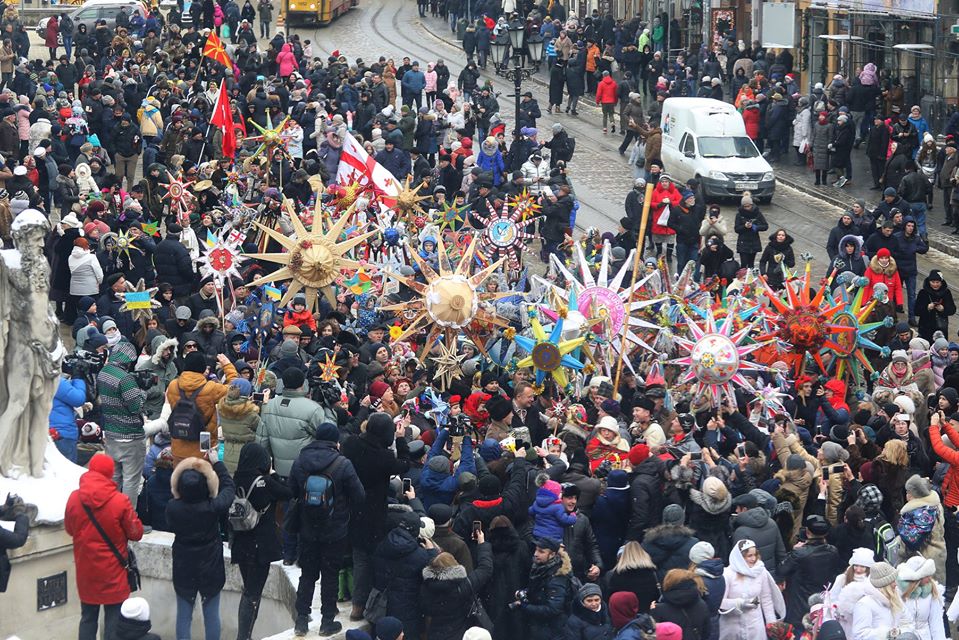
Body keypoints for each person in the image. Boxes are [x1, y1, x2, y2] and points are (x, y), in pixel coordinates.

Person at [288, 422, 366, 636]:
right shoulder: (343, 463)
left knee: (308, 574)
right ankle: (327, 621)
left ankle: (301, 621)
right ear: (335, 442)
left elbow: (292, 490)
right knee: (330, 575)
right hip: (335, 529)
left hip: (307, 527)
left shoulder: (301, 459)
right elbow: (359, 495)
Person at [64, 454, 145, 640]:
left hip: (86, 570)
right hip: (113, 572)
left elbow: (70, 529)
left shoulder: (74, 498)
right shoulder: (120, 501)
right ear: (110, 473)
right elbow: (136, 533)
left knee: (88, 618)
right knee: (114, 621)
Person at [166, 453, 236, 640]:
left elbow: (170, 524)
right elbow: (229, 487)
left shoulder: (173, 508)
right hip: (210, 565)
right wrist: (217, 464)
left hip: (183, 565)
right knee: (211, 615)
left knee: (184, 615)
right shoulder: (213, 507)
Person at [230, 442, 293, 640]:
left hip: (241, 545)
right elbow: (288, 492)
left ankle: (245, 634)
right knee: (252, 593)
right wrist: (273, 474)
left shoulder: (234, 479)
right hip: (260, 547)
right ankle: (243, 636)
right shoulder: (265, 481)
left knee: (249, 589)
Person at [419, 533, 494, 640]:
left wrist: (431, 553)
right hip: (459, 634)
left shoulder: (427, 588)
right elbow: (485, 569)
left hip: (436, 634)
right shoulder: (464, 586)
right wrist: (482, 543)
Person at [777, 514, 840, 628]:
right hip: (822, 602)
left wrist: (793, 551)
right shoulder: (833, 551)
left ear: (807, 532)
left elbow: (782, 569)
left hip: (800, 605)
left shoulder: (800, 554)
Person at [718, 539, 785, 639]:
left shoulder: (760, 571)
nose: (753, 559)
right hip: (732, 628)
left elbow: (766, 598)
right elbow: (719, 603)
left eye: (755, 555)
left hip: (755, 626)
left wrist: (771, 622)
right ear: (740, 557)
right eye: (749, 556)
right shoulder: (728, 574)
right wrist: (739, 603)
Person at [516, 537, 573, 640]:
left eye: (541, 551)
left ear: (552, 554)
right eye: (536, 550)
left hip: (552, 631)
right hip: (540, 627)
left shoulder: (557, 578)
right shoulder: (540, 569)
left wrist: (524, 606)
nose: (535, 554)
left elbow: (553, 609)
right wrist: (526, 592)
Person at [852, 561, 903, 640]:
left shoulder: (895, 599)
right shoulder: (864, 604)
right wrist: (887, 634)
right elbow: (859, 634)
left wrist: (905, 633)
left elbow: (907, 621)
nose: (895, 584)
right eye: (892, 581)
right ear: (884, 584)